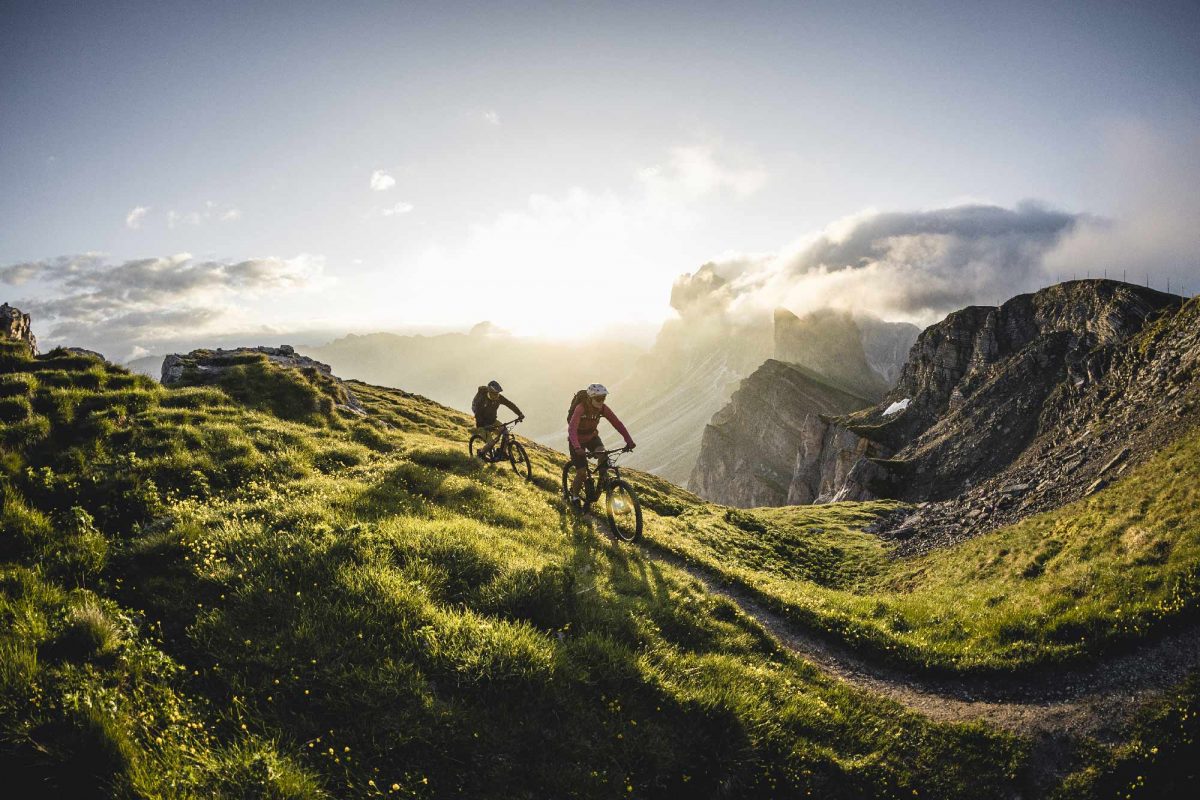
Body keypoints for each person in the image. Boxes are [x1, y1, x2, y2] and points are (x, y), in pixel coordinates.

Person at [567, 383, 635, 504]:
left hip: (592, 437)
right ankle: (575, 496)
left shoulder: (603, 408)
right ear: (590, 398)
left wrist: (629, 440)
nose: (601, 401)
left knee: (603, 455)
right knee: (581, 473)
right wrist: (577, 447)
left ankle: (601, 483)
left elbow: (617, 423)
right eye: (598, 399)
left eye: (603, 398)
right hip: (576, 440)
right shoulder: (581, 408)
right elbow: (572, 428)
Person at [471, 380, 524, 460]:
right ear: (490, 392)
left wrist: (519, 414)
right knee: (491, 442)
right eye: (495, 394)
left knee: (505, 432)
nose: (496, 396)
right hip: (482, 423)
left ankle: (503, 452)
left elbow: (510, 404)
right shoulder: (482, 399)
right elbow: (478, 415)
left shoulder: (499, 398)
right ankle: (481, 453)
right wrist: (484, 426)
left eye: (498, 394)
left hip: (492, 420)